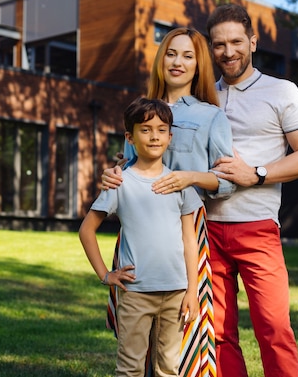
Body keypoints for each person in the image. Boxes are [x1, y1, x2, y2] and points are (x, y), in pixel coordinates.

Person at [102, 27, 235, 377]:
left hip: (186, 232)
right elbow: (128, 166)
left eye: (188, 56)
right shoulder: (140, 111)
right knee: (134, 335)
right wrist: (112, 172)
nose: (178, 62)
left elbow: (226, 180)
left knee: (185, 335)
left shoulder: (211, 116)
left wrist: (189, 177)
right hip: (138, 235)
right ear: (161, 60)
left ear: (198, 65)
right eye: (171, 53)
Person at [205, 3, 298, 377]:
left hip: (257, 227)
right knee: (219, 333)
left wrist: (254, 173)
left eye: (237, 41)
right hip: (206, 229)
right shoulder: (202, 96)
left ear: (252, 42)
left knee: (273, 328)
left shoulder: (282, 91)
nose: (228, 51)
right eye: (219, 44)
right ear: (211, 47)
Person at [79, 97, 201, 377]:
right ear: (130, 138)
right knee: (130, 368)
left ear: (170, 136)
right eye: (145, 130)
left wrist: (192, 290)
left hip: (176, 292)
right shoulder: (120, 182)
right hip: (136, 293)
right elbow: (86, 230)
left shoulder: (178, 183)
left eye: (161, 129)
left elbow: (189, 240)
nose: (154, 136)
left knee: (169, 368)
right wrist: (105, 275)